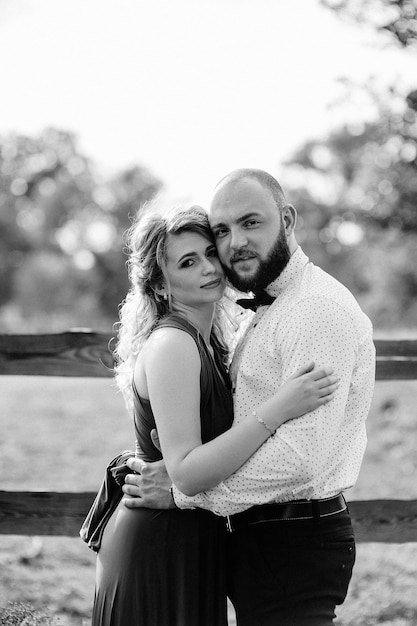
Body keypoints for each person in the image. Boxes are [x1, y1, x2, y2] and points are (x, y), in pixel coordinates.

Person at [123, 170, 376, 625]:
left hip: (294, 539)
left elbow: (300, 458)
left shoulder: (313, 310)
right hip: (248, 540)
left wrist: (185, 494)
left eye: (251, 223)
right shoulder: (253, 315)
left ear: (287, 219)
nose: (233, 244)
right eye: (222, 230)